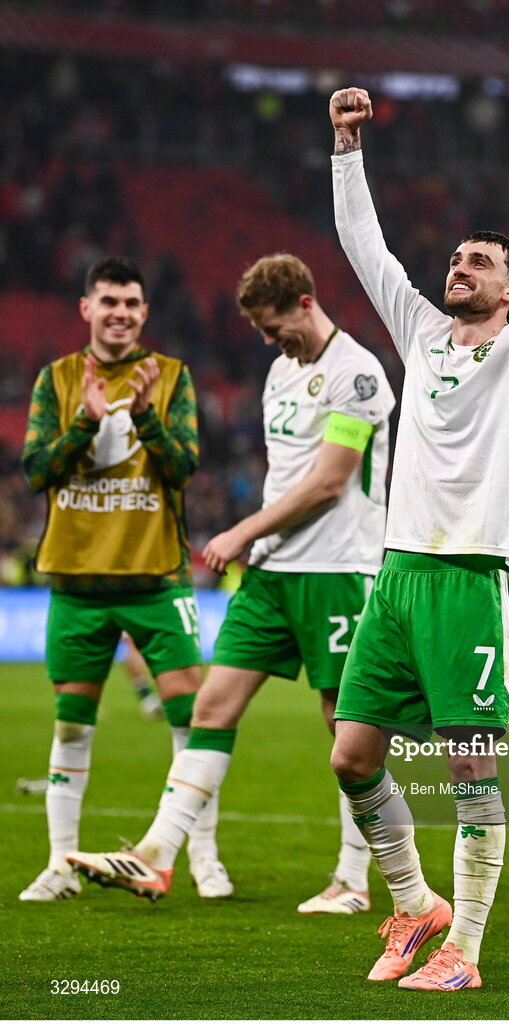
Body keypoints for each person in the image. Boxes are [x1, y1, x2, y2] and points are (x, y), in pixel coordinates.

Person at [324, 87, 509, 991]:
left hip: (469, 576)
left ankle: (464, 951)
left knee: (469, 768)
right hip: (394, 579)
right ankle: (412, 902)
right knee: (352, 756)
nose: (457, 266)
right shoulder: (422, 332)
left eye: (478, 261)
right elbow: (366, 249)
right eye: (457, 256)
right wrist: (346, 146)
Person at [67, 253, 395, 911]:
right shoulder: (281, 371)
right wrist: (258, 545)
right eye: (263, 334)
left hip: (336, 570)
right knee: (212, 708)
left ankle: (354, 881)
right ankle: (155, 858)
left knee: (347, 731)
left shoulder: (356, 373)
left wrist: (242, 531)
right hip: (271, 575)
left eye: (277, 328)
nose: (273, 343)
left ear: (305, 302)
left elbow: (330, 482)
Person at [19, 255, 227, 902]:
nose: (121, 313)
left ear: (144, 312)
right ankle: (59, 863)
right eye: (109, 302)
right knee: (72, 724)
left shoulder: (170, 378)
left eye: (132, 303)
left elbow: (183, 467)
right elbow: (36, 470)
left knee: (192, 721)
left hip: (155, 578)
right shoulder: (54, 380)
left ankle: (202, 855)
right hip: (78, 582)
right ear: (87, 309)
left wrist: (142, 416)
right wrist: (84, 418)